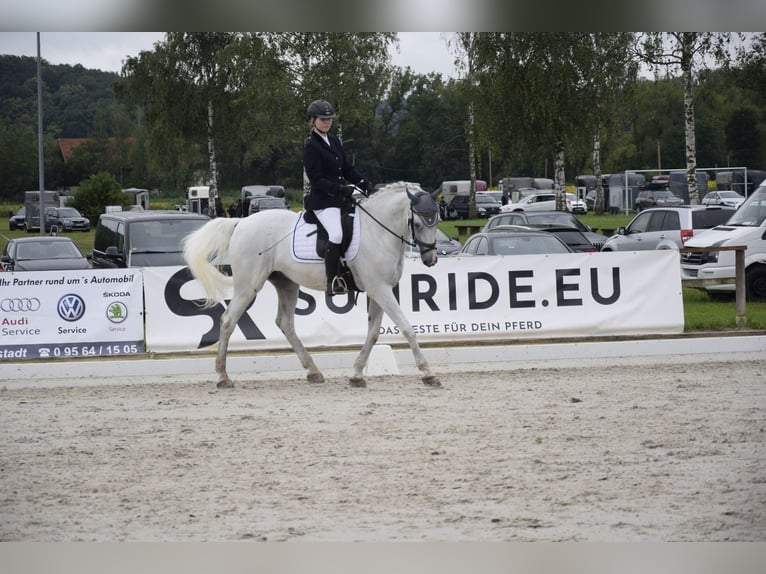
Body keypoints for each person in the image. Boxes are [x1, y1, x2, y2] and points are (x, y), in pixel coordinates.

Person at [303, 99, 374, 296]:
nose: (327, 122)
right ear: (313, 120)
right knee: (336, 234)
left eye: (329, 119)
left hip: (340, 200)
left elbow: (347, 169)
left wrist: (364, 184)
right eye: (323, 119)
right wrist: (340, 189)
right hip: (323, 202)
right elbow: (316, 179)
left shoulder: (333, 140)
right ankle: (332, 280)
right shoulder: (311, 146)